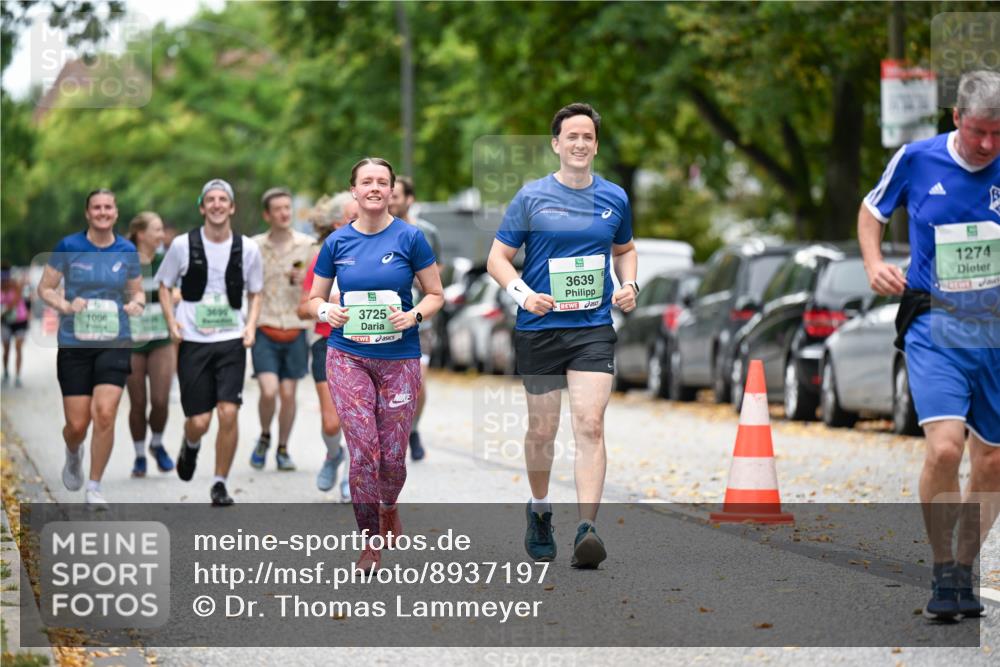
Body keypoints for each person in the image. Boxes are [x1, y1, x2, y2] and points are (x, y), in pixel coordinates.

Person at [859, 70, 1000, 621]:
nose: (988, 144)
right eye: (979, 132)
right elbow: (872, 211)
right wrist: (873, 264)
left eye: (999, 134)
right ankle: (942, 568)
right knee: (945, 449)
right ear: (956, 119)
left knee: (991, 463)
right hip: (935, 324)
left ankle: (966, 568)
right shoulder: (916, 159)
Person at [486, 102, 638, 569]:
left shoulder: (614, 197)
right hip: (540, 328)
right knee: (542, 431)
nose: (579, 143)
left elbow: (625, 249)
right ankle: (539, 509)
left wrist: (629, 283)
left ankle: (587, 528)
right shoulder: (531, 197)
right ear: (556, 144)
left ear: (595, 145)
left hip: (592, 328)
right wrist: (523, 294)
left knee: (590, 424)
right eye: (571, 136)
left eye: (587, 137)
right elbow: (498, 258)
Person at [308, 158, 443, 571]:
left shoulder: (411, 238)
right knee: (364, 450)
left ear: (391, 191)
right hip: (347, 355)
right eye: (366, 181)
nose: (374, 188)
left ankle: (389, 504)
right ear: (354, 190)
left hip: (398, 357)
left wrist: (415, 315)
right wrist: (327, 311)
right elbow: (315, 298)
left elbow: (434, 293)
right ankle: (368, 542)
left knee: (392, 457)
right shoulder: (337, 243)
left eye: (382, 182)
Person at [156, 179, 264, 506]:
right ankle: (190, 444)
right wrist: (171, 321)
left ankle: (220, 482)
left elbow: (255, 291)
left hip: (231, 339)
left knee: (228, 412)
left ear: (231, 207)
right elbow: (163, 284)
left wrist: (251, 326)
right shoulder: (181, 246)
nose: (217, 205)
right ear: (202, 208)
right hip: (193, 340)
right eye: (211, 200)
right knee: (200, 421)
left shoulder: (247, 248)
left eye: (223, 200)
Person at [37, 189, 144, 508]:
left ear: (116, 212)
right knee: (77, 425)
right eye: (96, 207)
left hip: (115, 341)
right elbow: (45, 288)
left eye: (107, 207)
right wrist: (67, 305)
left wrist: (137, 305)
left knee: (106, 413)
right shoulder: (68, 246)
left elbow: (136, 293)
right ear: (87, 213)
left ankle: (95, 486)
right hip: (75, 344)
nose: (102, 212)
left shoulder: (127, 250)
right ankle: (73, 453)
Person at [249, 187, 316, 471]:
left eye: (287, 207)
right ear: (267, 214)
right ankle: (264, 434)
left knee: (288, 393)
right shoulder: (253, 246)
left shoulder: (308, 245)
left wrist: (307, 280)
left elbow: (321, 284)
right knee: (268, 390)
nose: (284, 213)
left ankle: (283, 447)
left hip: (296, 327)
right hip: (265, 324)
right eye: (277, 209)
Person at [298, 192, 359, 498]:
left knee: (359, 417)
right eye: (352, 218)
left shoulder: (379, 255)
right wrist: (325, 306)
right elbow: (303, 307)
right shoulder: (324, 257)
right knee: (332, 422)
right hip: (327, 341)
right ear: (337, 225)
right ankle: (334, 454)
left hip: (365, 344)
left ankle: (352, 473)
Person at [389, 175, 442, 461]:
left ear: (409, 199)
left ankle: (413, 429)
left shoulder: (426, 233)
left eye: (397, 195)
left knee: (417, 383)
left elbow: (436, 278)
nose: (392, 199)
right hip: (385, 322)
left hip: (420, 321)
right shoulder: (377, 232)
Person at [125, 212, 176, 477]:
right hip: (132, 341)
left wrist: (175, 296)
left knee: (159, 400)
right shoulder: (124, 262)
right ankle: (139, 455)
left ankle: (156, 443)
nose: (162, 235)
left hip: (161, 339)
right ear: (141, 234)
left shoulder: (165, 260)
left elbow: (178, 288)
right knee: (137, 402)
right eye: (157, 230)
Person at [2, 264, 30, 388]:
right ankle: (6, 372)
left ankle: (18, 376)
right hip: (5, 321)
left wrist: (4, 309)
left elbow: (15, 302)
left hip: (20, 320)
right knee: (6, 349)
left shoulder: (16, 285)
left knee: (18, 347)